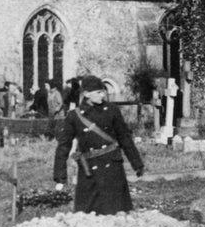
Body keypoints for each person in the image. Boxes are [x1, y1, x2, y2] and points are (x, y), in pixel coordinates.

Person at [52, 75, 145, 214]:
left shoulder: (112, 110)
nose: (103, 95)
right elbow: (63, 146)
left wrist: (137, 164)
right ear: (86, 94)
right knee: (88, 216)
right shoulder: (74, 116)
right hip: (89, 172)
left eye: (103, 91)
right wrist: (60, 176)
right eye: (99, 92)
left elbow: (125, 138)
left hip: (113, 168)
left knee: (117, 213)